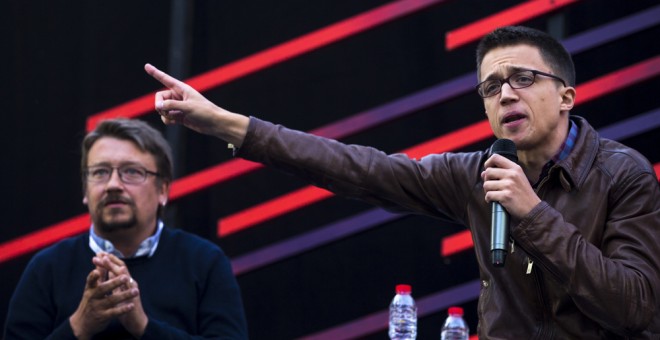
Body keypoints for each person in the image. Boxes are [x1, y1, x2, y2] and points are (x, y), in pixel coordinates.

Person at [144, 26, 660, 338]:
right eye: (490, 86)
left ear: (566, 96)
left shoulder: (622, 173)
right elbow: (355, 167)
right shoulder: (474, 175)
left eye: (522, 79)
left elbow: (635, 306)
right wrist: (225, 123)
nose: (505, 95)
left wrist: (536, 216)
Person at [4, 119, 248, 339]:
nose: (113, 185)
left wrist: (143, 326)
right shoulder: (48, 268)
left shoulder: (204, 262)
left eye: (131, 171)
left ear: (163, 190)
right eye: (100, 172)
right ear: (85, 192)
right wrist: (79, 325)